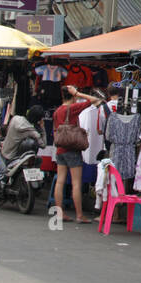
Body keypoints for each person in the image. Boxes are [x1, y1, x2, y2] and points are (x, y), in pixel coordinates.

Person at [51, 85, 104, 223]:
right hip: (72, 150)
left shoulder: (57, 111)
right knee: (76, 183)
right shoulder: (73, 108)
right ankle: (79, 215)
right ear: (73, 96)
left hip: (60, 149)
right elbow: (96, 100)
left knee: (60, 181)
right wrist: (78, 93)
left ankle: (60, 213)